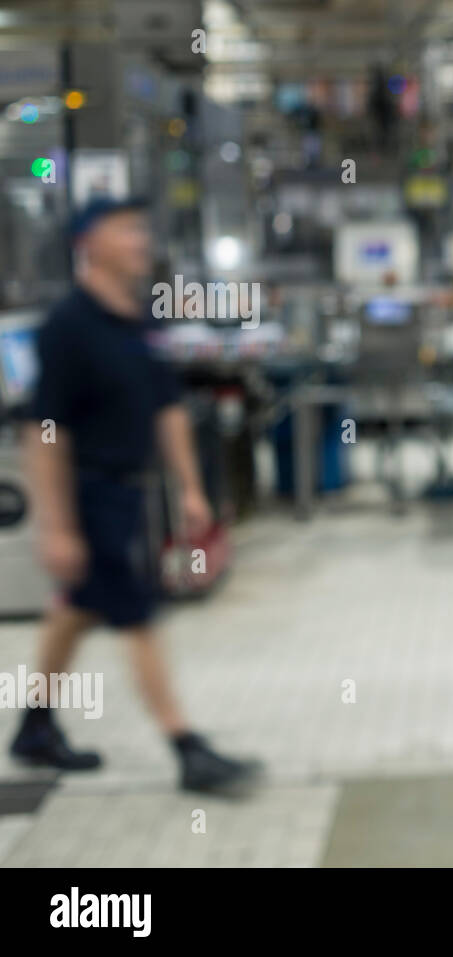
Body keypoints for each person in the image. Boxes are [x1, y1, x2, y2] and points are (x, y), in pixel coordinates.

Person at [8, 196, 259, 794]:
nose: (140, 241)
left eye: (142, 230)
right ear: (88, 244)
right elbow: (44, 432)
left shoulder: (137, 319)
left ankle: (33, 728)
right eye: (126, 231)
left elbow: (167, 407)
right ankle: (186, 748)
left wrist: (191, 489)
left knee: (74, 611)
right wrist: (57, 525)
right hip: (88, 493)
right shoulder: (67, 328)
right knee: (137, 616)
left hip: (127, 494)